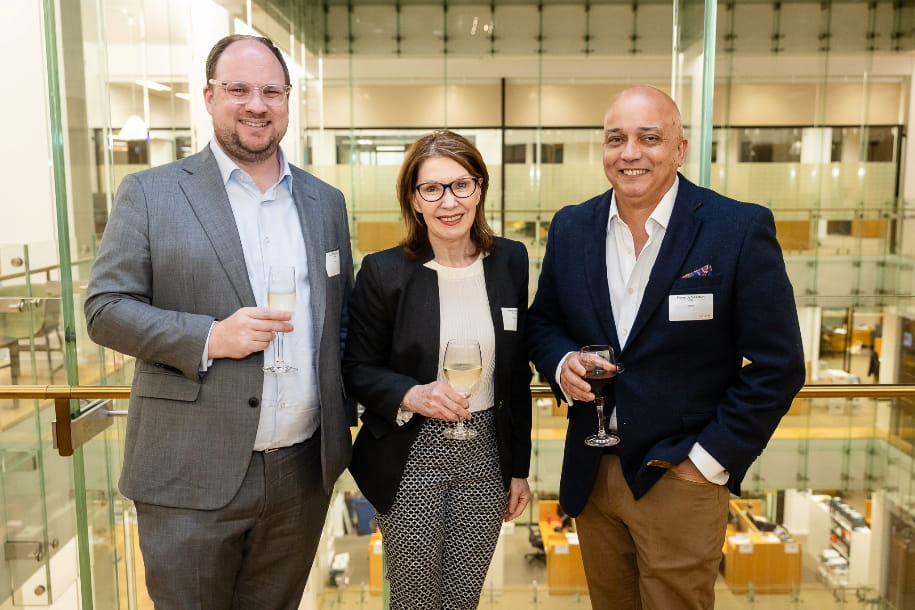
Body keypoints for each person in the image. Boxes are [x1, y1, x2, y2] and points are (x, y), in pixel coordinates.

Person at [84, 34, 353, 609]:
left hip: (301, 474)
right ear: (208, 97)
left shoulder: (325, 203)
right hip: (188, 472)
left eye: (270, 91)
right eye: (238, 90)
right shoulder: (151, 194)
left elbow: (340, 325)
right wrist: (209, 337)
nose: (256, 104)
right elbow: (104, 310)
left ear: (286, 101)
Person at [525, 86, 806, 609]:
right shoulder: (572, 226)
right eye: (616, 139)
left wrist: (708, 460)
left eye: (649, 138)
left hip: (679, 473)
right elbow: (543, 322)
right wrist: (562, 360)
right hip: (593, 473)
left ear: (679, 149)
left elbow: (779, 364)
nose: (630, 153)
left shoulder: (736, 229)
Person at [343, 130, 532, 609]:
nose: (449, 201)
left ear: (480, 189)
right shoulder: (384, 272)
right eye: (432, 189)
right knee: (415, 600)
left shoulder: (510, 261)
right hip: (412, 455)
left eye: (460, 185)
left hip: (487, 454)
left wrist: (519, 469)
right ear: (414, 199)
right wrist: (412, 394)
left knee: (462, 599)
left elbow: (515, 376)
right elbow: (356, 367)